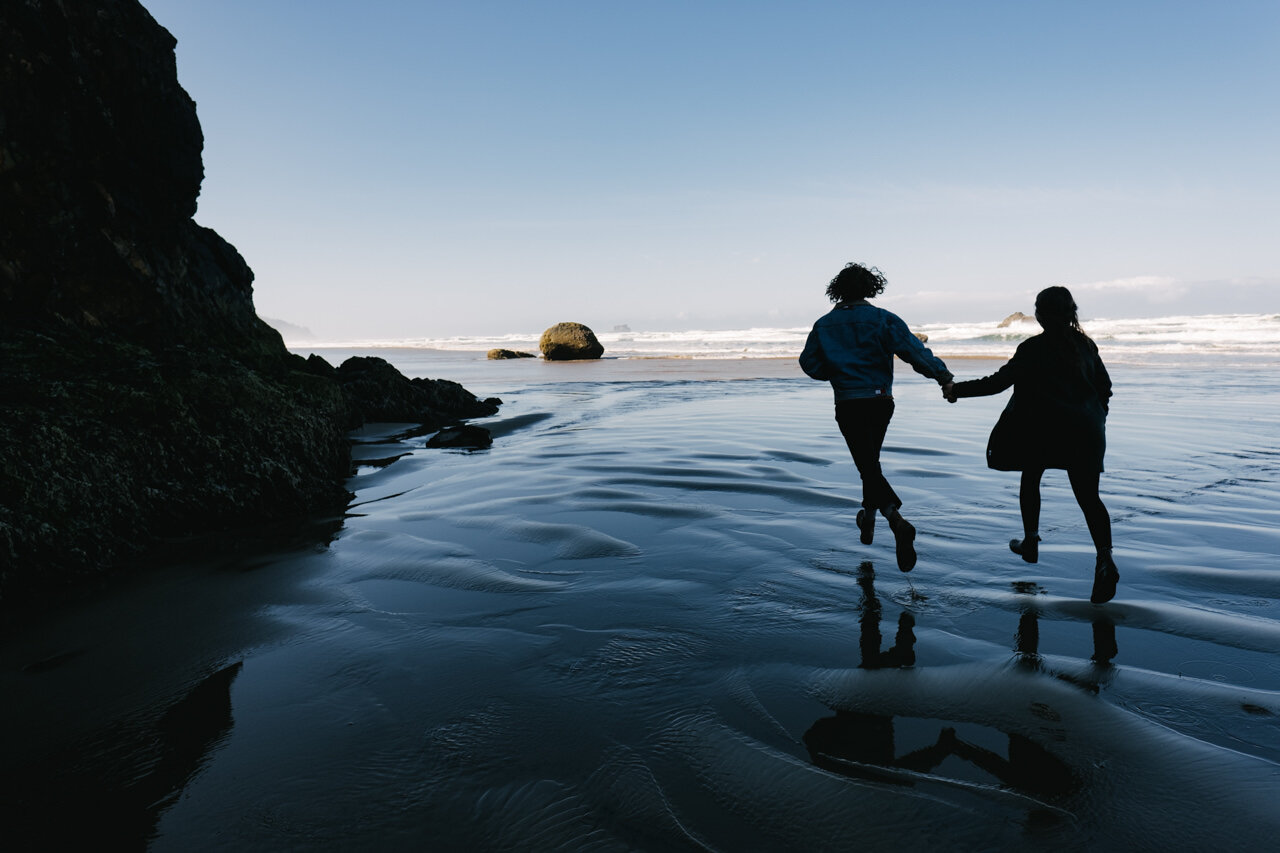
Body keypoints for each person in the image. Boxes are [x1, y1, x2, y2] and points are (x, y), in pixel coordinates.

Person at [945, 286, 1119, 603]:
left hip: (1044, 429)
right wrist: (1097, 416)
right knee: (1090, 498)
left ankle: (1031, 541)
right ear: (1071, 312)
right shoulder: (1086, 345)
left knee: (1031, 475)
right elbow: (1105, 388)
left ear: (1039, 315)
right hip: (1087, 430)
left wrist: (957, 390)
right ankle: (1105, 557)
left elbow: (998, 383)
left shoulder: (1033, 348)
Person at [800, 262, 955, 571]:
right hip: (881, 401)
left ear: (838, 289)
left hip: (848, 402)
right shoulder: (883, 319)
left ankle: (896, 522)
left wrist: (836, 371)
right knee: (870, 463)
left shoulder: (824, 325)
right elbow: (915, 352)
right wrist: (944, 377)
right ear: (871, 288)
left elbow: (809, 364)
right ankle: (867, 519)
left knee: (867, 466)